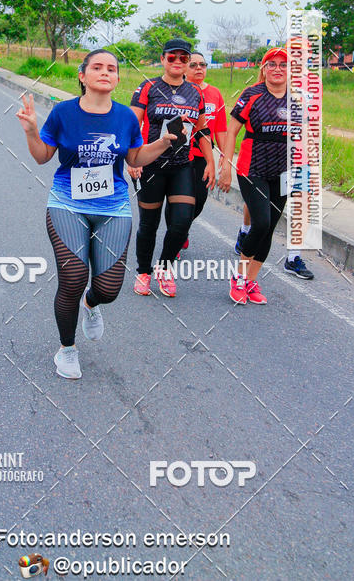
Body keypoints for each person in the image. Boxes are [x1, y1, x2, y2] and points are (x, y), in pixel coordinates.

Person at [16, 49, 184, 380]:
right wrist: (32, 131)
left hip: (113, 207)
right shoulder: (63, 112)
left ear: (118, 78)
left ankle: (90, 306)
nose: (105, 72)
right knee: (74, 277)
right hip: (67, 203)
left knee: (107, 288)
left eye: (111, 68)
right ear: (83, 76)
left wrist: (163, 143)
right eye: (97, 67)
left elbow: (135, 158)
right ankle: (66, 349)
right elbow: (41, 157)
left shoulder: (125, 117)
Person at [128, 39, 215, 298]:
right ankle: (144, 272)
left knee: (181, 223)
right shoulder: (148, 87)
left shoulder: (195, 92)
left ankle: (165, 267)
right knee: (149, 225)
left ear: (188, 62)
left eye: (183, 58)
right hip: (151, 165)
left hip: (181, 166)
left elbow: (201, 129)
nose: (178, 62)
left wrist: (210, 161)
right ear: (163, 59)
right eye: (172, 57)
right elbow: (132, 125)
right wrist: (132, 160)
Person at [219, 47, 292, 305]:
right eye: (271, 64)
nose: (277, 69)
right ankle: (238, 277)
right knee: (260, 222)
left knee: (270, 227)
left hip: (284, 172)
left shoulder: (297, 99)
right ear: (263, 69)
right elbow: (232, 131)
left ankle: (251, 280)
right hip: (253, 169)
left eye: (283, 64)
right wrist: (226, 164)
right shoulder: (252, 94)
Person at [166, 50, 227, 255]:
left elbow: (220, 129)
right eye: (193, 64)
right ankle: (175, 236)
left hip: (202, 156)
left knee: (199, 199)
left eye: (202, 65)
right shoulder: (178, 91)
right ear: (184, 67)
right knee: (178, 200)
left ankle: (180, 229)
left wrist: (223, 159)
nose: (199, 68)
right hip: (179, 154)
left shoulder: (215, 94)